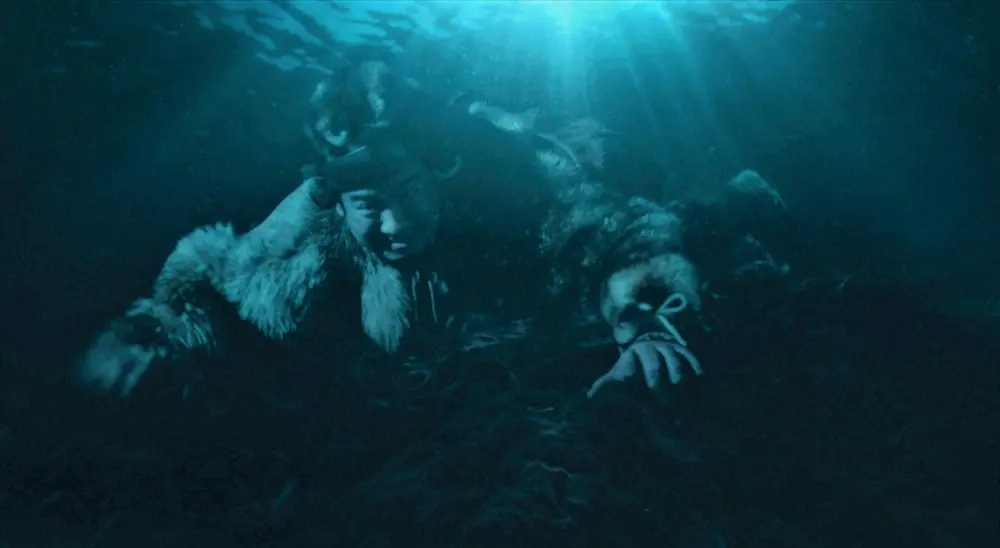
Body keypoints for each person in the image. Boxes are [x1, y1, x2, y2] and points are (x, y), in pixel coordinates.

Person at [79, 62, 704, 401]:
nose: (396, 225)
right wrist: (155, 332)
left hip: (556, 150)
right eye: (369, 203)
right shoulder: (311, 224)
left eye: (408, 193)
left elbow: (622, 231)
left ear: (435, 175)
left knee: (655, 182)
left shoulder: (511, 188)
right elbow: (210, 270)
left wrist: (642, 319)